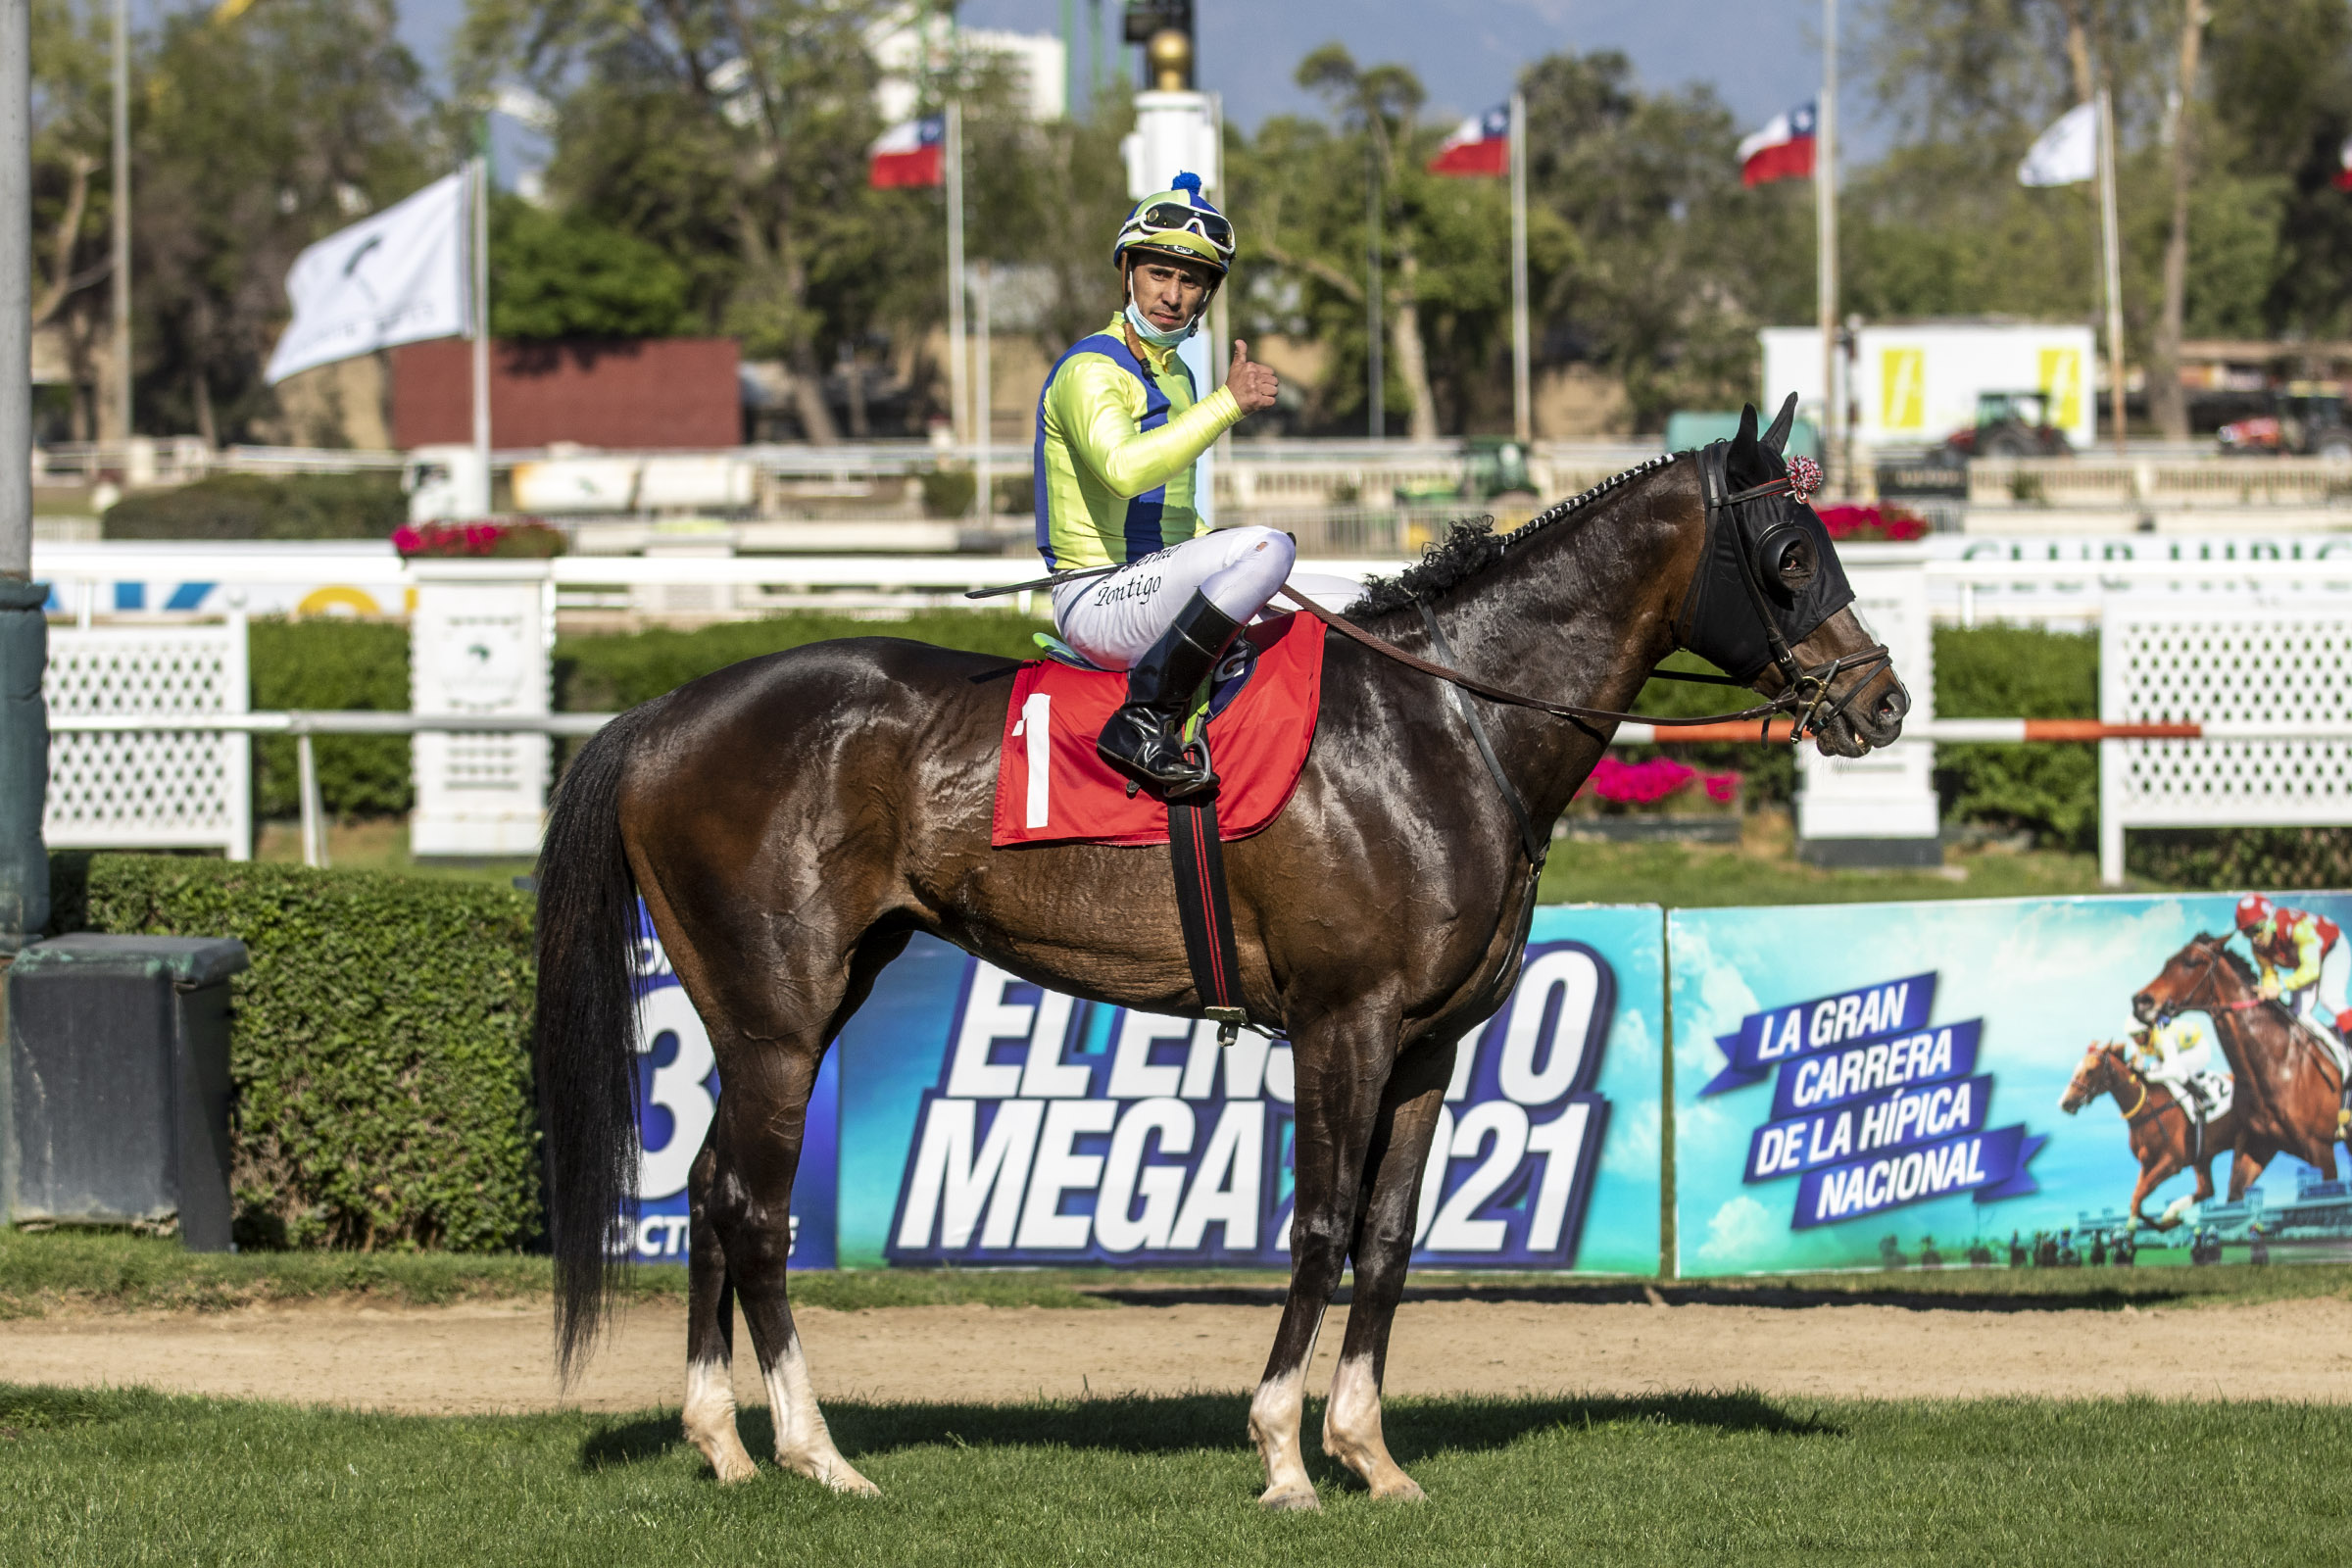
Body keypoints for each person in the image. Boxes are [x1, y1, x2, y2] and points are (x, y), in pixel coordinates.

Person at [1032, 172, 1293, 796]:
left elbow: (1177, 513)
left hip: (1150, 585)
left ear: (1206, 294)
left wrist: (1219, 549)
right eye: (1159, 274)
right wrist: (1226, 404)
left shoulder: (1178, 376)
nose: (1172, 295)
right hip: (1095, 597)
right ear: (1128, 273)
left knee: (1346, 598)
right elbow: (1124, 472)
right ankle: (1141, 720)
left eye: (1191, 281)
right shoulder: (1089, 369)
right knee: (1270, 547)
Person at [2125, 1015, 2225, 1126]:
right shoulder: (2138, 1041)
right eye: (2132, 1036)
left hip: (2198, 1049)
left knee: (2176, 1068)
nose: (2135, 1040)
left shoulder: (2163, 1038)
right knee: (2154, 1067)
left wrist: (2150, 1077)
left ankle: (2204, 1096)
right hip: (2179, 1050)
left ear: (2148, 1031)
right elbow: (2138, 1066)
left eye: (2137, 1035)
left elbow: (2172, 1070)